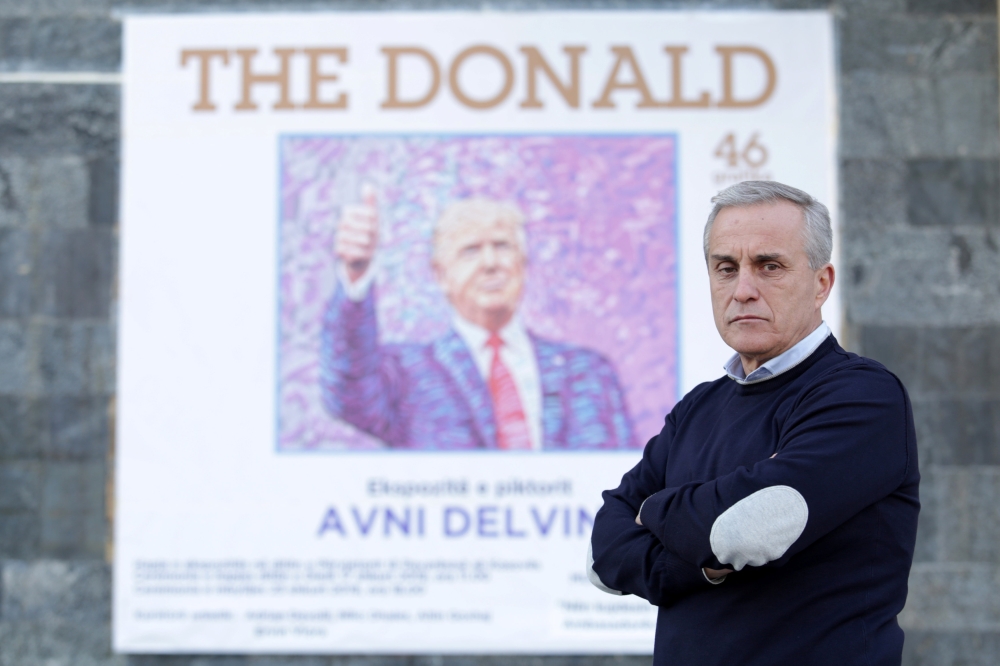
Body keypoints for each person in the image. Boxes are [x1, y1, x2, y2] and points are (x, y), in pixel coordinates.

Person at [588, 180, 919, 665]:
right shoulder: (698, 407)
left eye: (769, 266)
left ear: (821, 283)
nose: (743, 289)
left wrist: (654, 509)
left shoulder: (863, 396)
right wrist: (704, 566)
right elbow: (604, 556)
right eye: (726, 268)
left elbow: (747, 529)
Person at [320, 188, 635, 450]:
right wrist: (357, 276)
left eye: (502, 246)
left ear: (523, 264)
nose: (490, 263)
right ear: (441, 275)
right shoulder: (405, 377)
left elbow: (631, 487)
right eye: (470, 250)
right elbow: (348, 390)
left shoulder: (591, 375)